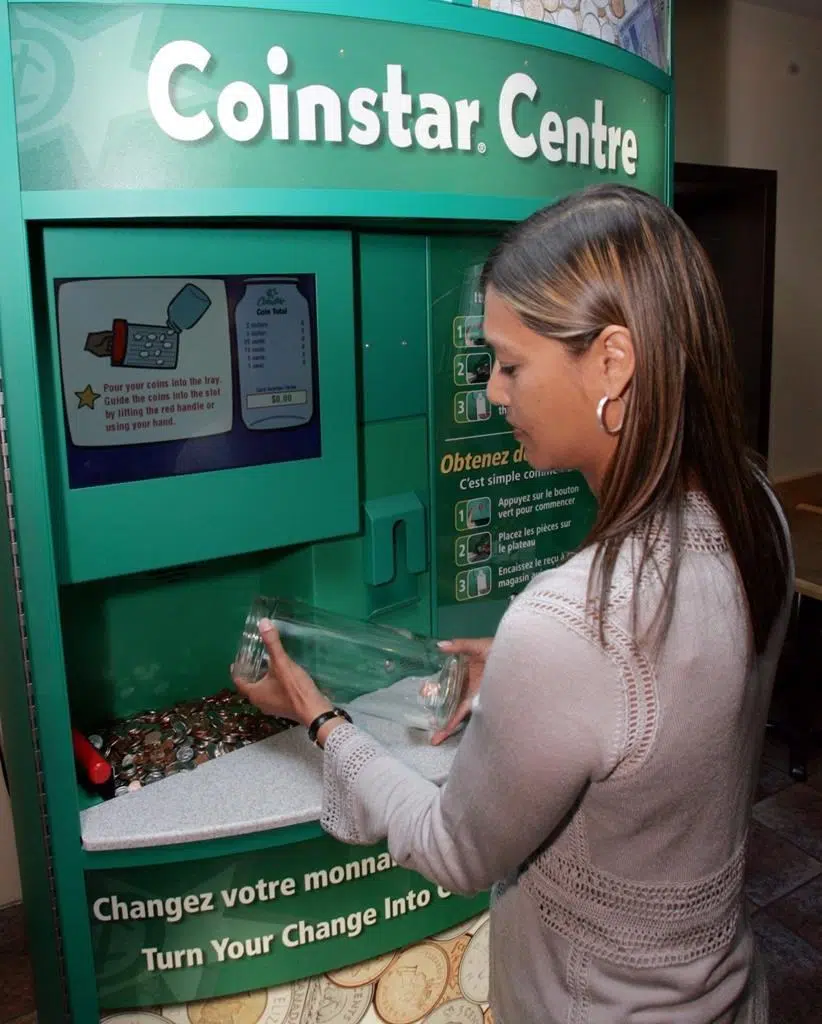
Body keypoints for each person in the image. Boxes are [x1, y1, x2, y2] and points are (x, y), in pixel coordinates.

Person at [233, 184, 793, 1023]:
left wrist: (319, 719)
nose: (495, 393)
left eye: (511, 363)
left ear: (612, 360)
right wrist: (528, 673)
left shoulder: (574, 621)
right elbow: (675, 704)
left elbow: (456, 849)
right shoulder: (756, 511)